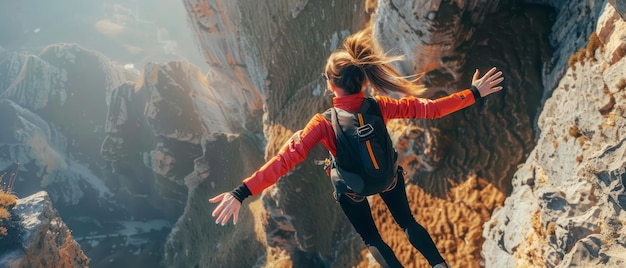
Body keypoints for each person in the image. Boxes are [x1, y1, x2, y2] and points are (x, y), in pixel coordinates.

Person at [209, 29, 504, 268]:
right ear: (364, 80)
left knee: (372, 238)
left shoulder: (321, 124)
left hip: (354, 188)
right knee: (408, 223)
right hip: (387, 178)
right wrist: (474, 92)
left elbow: (284, 161)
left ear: (331, 85)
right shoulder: (381, 106)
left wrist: (241, 192)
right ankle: (439, 265)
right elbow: (433, 110)